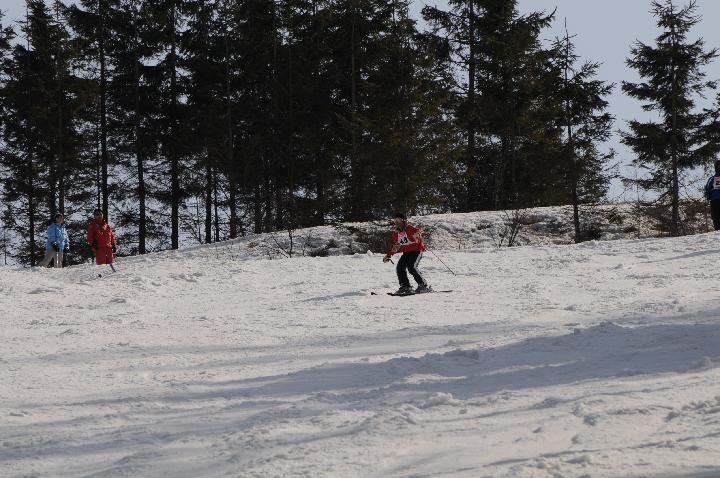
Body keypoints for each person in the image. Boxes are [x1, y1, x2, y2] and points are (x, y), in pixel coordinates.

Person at [383, 212, 430, 295]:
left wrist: (417, 234)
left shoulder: (409, 228)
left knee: (411, 267)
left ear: (403, 220)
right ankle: (405, 286)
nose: (396, 222)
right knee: (400, 268)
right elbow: (395, 246)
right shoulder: (396, 233)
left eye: (398, 220)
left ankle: (423, 285)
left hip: (416, 251)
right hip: (406, 253)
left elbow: (418, 230)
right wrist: (388, 255)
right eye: (395, 220)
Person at [704, 160, 720, 231]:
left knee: (716, 217)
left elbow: (707, 188)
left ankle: (717, 231)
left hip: (715, 200)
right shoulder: (713, 178)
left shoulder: (712, 178)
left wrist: (708, 196)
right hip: (715, 200)